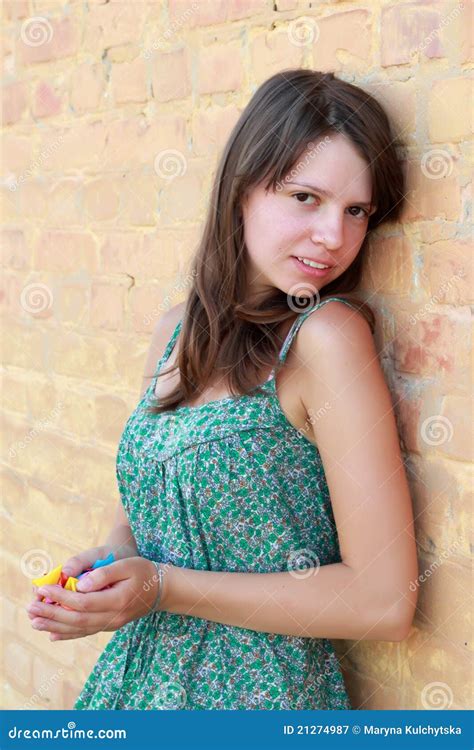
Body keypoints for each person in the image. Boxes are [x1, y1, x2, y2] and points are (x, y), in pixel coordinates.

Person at [27, 69, 418, 710]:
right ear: (242, 189)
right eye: (305, 198)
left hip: (257, 704)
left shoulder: (325, 339)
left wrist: (161, 589)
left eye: (357, 211)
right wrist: (108, 568)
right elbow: (147, 515)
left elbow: (384, 601)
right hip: (134, 690)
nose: (335, 237)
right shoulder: (174, 332)